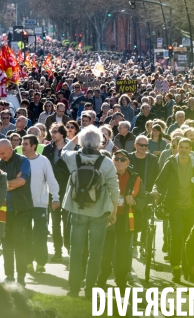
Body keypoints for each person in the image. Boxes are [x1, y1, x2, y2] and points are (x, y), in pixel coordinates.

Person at [61, 125, 119, 297]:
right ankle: (89, 290)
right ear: (100, 143)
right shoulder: (107, 162)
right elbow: (114, 189)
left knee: (76, 251)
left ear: (82, 141)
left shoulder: (73, 157)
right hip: (99, 212)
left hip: (77, 209)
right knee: (95, 253)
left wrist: (77, 137)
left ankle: (73, 289)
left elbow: (64, 150)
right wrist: (114, 211)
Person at [153, 138, 194, 281]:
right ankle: (175, 268)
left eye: (186, 147)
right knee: (176, 237)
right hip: (175, 207)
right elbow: (159, 182)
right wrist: (156, 192)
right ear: (177, 148)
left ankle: (188, 267)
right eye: (181, 147)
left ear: (191, 149)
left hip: (192, 207)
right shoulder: (171, 163)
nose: (183, 150)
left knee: (189, 239)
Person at [97, 149, 144, 290]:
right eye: (116, 158)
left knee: (122, 253)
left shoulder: (135, 178)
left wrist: (134, 202)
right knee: (106, 251)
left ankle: (121, 280)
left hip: (125, 221)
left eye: (122, 159)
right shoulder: (105, 175)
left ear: (128, 162)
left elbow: (143, 198)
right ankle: (103, 276)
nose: (119, 161)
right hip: (108, 219)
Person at [0, 139, 32, 287]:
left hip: (21, 208)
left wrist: (6, 184)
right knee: (6, 243)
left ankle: (21, 275)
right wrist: (12, 182)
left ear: (11, 149)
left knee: (18, 240)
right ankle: (9, 275)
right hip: (5, 210)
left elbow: (22, 182)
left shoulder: (23, 161)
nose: (1, 156)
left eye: (3, 153)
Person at [21, 134, 60, 273]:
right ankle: (28, 262)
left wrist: (56, 197)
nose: (23, 146)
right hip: (23, 206)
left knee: (40, 234)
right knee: (25, 234)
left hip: (40, 205)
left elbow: (51, 180)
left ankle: (41, 263)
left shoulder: (43, 161)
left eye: (25, 144)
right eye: (22, 143)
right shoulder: (20, 160)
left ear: (33, 146)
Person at [42, 123, 71, 262]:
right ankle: (58, 250)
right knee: (55, 222)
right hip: (52, 188)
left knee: (67, 221)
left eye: (55, 131)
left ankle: (69, 247)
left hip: (68, 187)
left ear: (62, 133)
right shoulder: (48, 149)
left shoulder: (71, 147)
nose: (53, 134)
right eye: (51, 131)